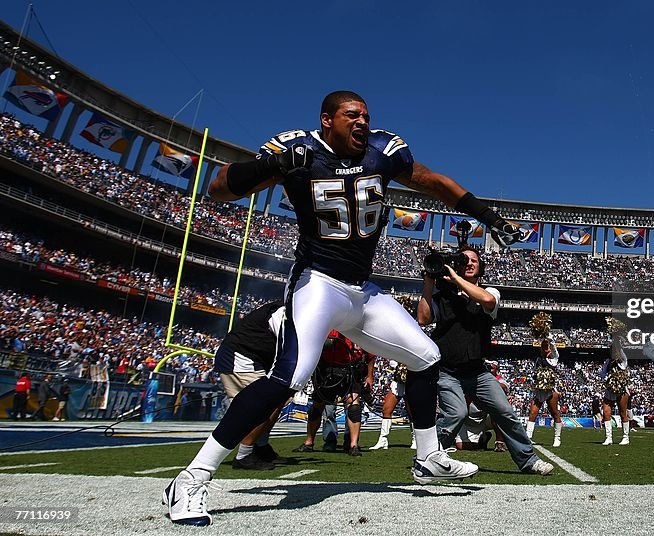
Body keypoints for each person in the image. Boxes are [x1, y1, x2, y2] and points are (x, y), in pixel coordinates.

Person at [164, 90, 522, 526]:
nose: (362, 122)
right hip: (317, 282)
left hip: (363, 290)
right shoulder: (296, 149)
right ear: (327, 120)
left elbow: (431, 180)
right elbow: (218, 188)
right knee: (289, 378)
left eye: (366, 116)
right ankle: (191, 479)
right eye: (352, 115)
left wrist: (489, 217)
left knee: (427, 357)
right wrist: (273, 166)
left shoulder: (381, 152)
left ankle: (429, 457)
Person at [419, 246, 553, 476]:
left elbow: (487, 300)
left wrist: (456, 279)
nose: (470, 263)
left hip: (477, 371)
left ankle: (528, 460)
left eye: (474, 261)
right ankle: (428, 456)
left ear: (481, 267)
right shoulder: (443, 296)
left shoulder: (490, 291)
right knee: (456, 414)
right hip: (447, 370)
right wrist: (429, 282)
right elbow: (422, 319)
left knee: (504, 411)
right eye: (465, 260)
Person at [213, 302, 291, 470]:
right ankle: (244, 454)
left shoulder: (287, 312)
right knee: (263, 405)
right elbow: (285, 347)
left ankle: (260, 446)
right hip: (241, 358)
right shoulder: (283, 313)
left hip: (250, 358)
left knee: (275, 402)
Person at [293, 330, 373, 456]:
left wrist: (369, 376)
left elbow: (370, 355)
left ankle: (353, 445)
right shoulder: (332, 327)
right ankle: (311, 442)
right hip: (328, 372)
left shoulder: (358, 330)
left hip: (350, 372)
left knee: (354, 409)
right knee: (319, 408)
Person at [526, 337, 564, 448]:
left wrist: (548, 338)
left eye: (546, 348)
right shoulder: (538, 360)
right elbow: (534, 374)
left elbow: (553, 346)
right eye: (543, 348)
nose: (545, 350)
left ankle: (557, 438)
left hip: (551, 391)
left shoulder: (554, 359)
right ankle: (528, 438)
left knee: (555, 414)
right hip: (539, 390)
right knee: (533, 413)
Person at [368, 361, 414, 450]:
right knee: (386, 409)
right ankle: (383, 440)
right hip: (398, 381)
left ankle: (415, 439)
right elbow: (392, 362)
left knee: (411, 412)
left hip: (411, 381)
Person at [600, 332, 631, 446]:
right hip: (610, 389)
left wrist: (616, 338)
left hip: (622, 389)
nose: (614, 351)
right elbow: (602, 374)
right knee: (606, 411)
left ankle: (625, 437)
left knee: (623, 413)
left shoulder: (622, 360)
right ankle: (609, 437)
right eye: (612, 350)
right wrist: (608, 378)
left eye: (615, 349)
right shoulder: (608, 362)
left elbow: (621, 354)